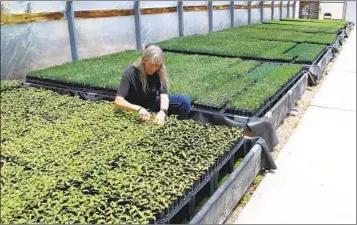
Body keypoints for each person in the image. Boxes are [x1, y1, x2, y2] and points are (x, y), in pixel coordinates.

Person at [114, 45, 191, 124]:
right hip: (133, 106)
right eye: (151, 65)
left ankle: (174, 125)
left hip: (151, 103)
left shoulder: (160, 72)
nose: (154, 69)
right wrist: (139, 109)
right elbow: (118, 101)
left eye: (157, 65)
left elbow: (164, 95)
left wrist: (163, 111)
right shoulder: (131, 72)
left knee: (185, 102)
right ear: (143, 60)